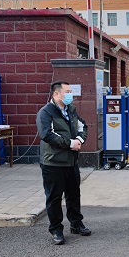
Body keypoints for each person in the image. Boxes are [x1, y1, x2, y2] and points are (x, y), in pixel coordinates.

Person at [37, 81, 91, 245]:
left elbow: (83, 126)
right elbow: (47, 134)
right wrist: (69, 144)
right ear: (56, 94)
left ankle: (76, 224)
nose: (70, 95)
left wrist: (79, 140)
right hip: (53, 163)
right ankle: (56, 230)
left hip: (71, 162)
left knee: (74, 195)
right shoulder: (46, 112)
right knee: (54, 198)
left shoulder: (71, 110)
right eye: (67, 91)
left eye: (70, 91)